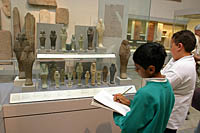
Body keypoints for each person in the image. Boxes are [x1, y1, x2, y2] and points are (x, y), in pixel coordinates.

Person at [113, 42, 175, 133]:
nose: (136, 70)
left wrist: (117, 114)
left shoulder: (145, 93)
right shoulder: (168, 87)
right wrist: (130, 103)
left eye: (138, 68)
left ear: (151, 69)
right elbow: (152, 110)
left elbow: (129, 127)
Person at [161, 30, 197, 133]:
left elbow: (160, 86)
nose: (171, 48)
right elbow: (163, 73)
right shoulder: (177, 59)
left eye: (172, 45)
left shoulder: (182, 67)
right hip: (166, 113)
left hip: (169, 118)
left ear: (179, 46)